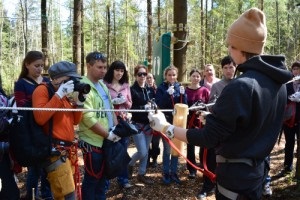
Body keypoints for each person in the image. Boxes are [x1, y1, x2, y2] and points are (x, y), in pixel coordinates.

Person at [148, 8, 293, 199]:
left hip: (236, 179)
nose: (228, 49)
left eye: (230, 45)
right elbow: (252, 124)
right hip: (256, 174)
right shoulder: (277, 84)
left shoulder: (241, 86)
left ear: (240, 46)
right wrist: (215, 119)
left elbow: (208, 138)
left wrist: (165, 127)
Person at [32, 61, 83, 200]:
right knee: (68, 196)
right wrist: (59, 95)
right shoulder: (42, 90)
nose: (71, 82)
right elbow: (40, 118)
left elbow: (75, 121)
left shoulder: (63, 94)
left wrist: (79, 103)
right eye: (68, 79)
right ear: (55, 79)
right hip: (55, 151)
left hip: (66, 151)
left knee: (64, 195)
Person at [78, 51, 119, 199]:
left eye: (104, 67)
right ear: (89, 66)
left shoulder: (102, 85)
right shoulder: (82, 86)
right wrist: (108, 134)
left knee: (103, 180)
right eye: (99, 67)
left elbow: (110, 110)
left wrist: (116, 129)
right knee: (92, 180)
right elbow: (87, 117)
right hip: (92, 142)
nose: (103, 70)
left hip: (106, 140)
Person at [14, 50, 52, 200]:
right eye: (36, 65)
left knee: (49, 166)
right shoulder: (21, 84)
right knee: (35, 167)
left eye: (42, 66)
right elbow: (21, 107)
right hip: (31, 130)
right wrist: (39, 101)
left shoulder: (47, 82)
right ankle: (31, 196)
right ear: (27, 64)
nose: (39, 69)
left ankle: (47, 195)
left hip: (48, 128)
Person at [198, 56, 237, 199]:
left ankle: (227, 188)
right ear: (222, 69)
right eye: (225, 67)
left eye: (231, 67)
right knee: (211, 158)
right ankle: (207, 186)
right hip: (218, 129)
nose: (228, 70)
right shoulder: (217, 86)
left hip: (235, 130)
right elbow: (211, 107)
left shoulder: (241, 84)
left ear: (235, 67)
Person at [155, 65, 187, 185]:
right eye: (169, 75)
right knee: (168, 148)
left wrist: (184, 95)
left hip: (178, 122)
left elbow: (185, 104)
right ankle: (166, 172)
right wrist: (167, 94)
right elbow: (160, 104)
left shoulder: (180, 87)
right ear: (166, 76)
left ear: (176, 75)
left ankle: (174, 172)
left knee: (176, 148)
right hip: (166, 122)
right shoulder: (161, 88)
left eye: (174, 75)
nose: (172, 77)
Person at [103, 60, 133, 189]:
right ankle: (106, 182)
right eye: (117, 70)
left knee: (123, 150)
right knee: (109, 151)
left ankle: (123, 179)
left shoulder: (126, 85)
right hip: (108, 121)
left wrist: (124, 101)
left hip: (123, 121)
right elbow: (102, 103)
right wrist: (112, 101)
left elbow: (130, 104)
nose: (119, 73)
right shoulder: (104, 84)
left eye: (122, 71)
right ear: (112, 70)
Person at [128, 65, 155, 185]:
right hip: (137, 124)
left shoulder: (150, 89)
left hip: (149, 124)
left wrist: (153, 106)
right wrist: (143, 107)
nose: (142, 76)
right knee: (142, 151)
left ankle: (141, 174)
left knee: (146, 152)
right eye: (140, 74)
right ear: (135, 75)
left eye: (144, 74)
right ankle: (129, 164)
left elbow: (154, 102)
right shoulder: (132, 90)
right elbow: (130, 108)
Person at [281, 61, 300, 176]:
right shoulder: (287, 84)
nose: (296, 71)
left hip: (299, 119)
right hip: (288, 120)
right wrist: (290, 98)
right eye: (294, 69)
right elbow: (282, 99)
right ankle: (288, 166)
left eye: (298, 69)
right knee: (289, 143)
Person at [0, 87, 20, 200]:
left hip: (4, 151)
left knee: (10, 190)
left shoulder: (2, 96)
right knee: (10, 193)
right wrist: (9, 121)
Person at [146, 73, 160, 168]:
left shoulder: (158, 90)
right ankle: (146, 159)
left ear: (154, 79)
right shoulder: (144, 90)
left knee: (155, 141)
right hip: (146, 119)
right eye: (147, 78)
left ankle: (154, 158)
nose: (149, 79)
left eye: (151, 78)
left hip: (156, 118)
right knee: (147, 141)